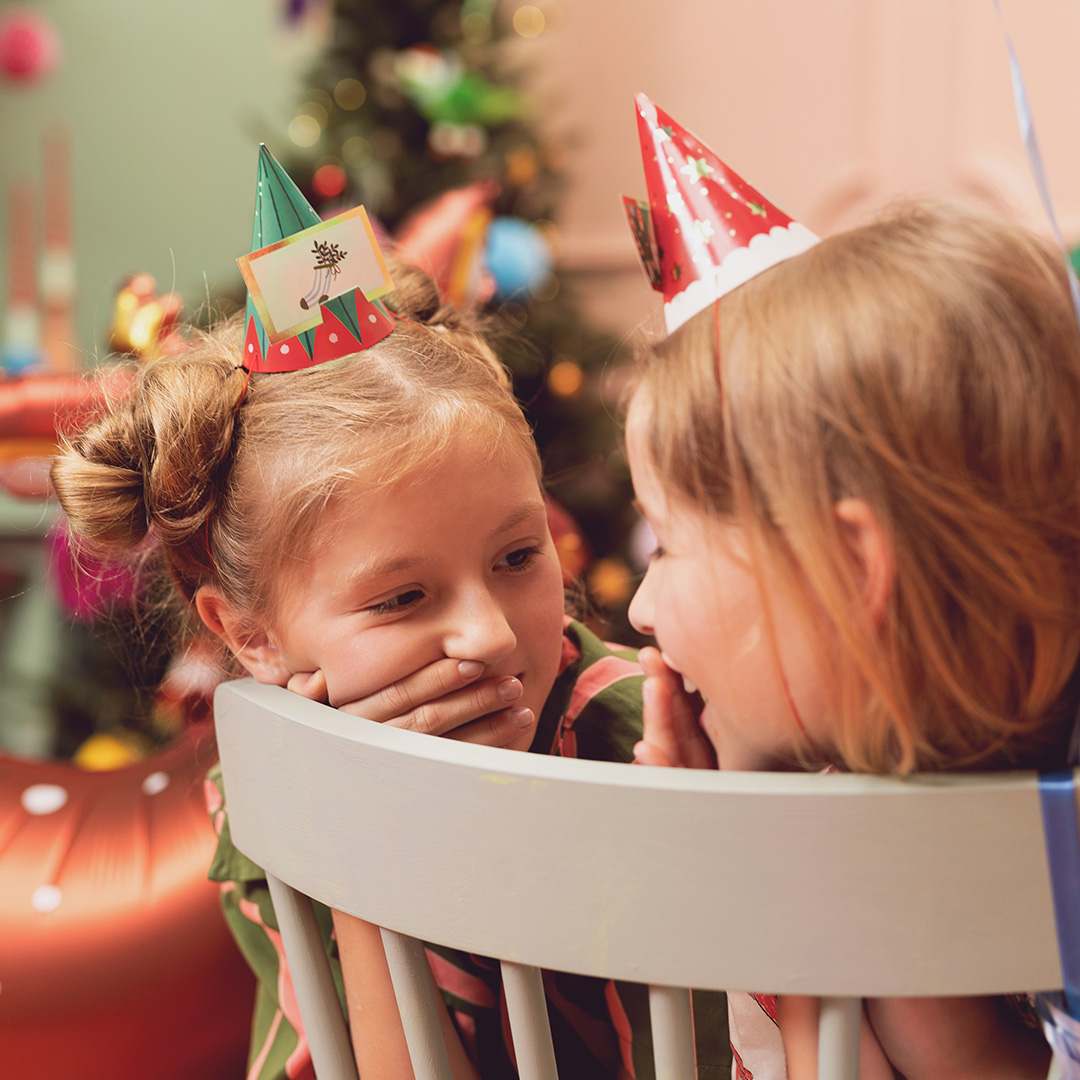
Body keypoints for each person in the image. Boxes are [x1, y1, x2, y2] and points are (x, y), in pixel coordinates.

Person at [51, 146, 728, 1080]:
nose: (489, 636)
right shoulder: (276, 803)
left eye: (518, 557)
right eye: (402, 598)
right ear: (249, 635)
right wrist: (356, 847)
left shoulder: (640, 745)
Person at [622, 99, 1071, 1079]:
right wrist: (766, 843)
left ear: (854, 569)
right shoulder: (952, 750)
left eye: (668, 546)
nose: (638, 608)